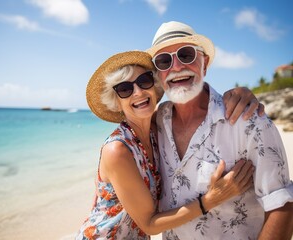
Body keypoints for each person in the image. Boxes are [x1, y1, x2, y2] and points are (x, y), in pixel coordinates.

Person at [76, 50, 257, 239]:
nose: (138, 92)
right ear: (116, 102)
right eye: (124, 89)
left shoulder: (158, 128)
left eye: (144, 81)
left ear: (154, 86)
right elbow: (149, 225)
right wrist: (211, 200)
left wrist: (239, 94)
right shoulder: (118, 150)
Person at [147, 21, 293, 239]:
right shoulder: (154, 122)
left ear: (204, 63)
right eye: (164, 61)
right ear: (158, 75)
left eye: (185, 55)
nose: (176, 67)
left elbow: (283, 207)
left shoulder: (249, 121)